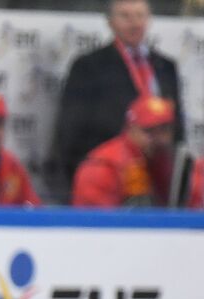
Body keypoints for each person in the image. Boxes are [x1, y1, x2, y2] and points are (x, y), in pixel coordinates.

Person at [52, 0, 182, 201]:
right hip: (111, 177)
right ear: (110, 22)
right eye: (125, 16)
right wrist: (89, 173)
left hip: (159, 181)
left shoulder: (166, 67)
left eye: (140, 15)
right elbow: (70, 131)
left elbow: (177, 126)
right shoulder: (89, 66)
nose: (134, 23)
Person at [72, 96, 177, 207]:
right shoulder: (103, 166)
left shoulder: (163, 161)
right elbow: (97, 221)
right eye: (149, 131)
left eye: (165, 130)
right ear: (130, 129)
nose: (159, 139)